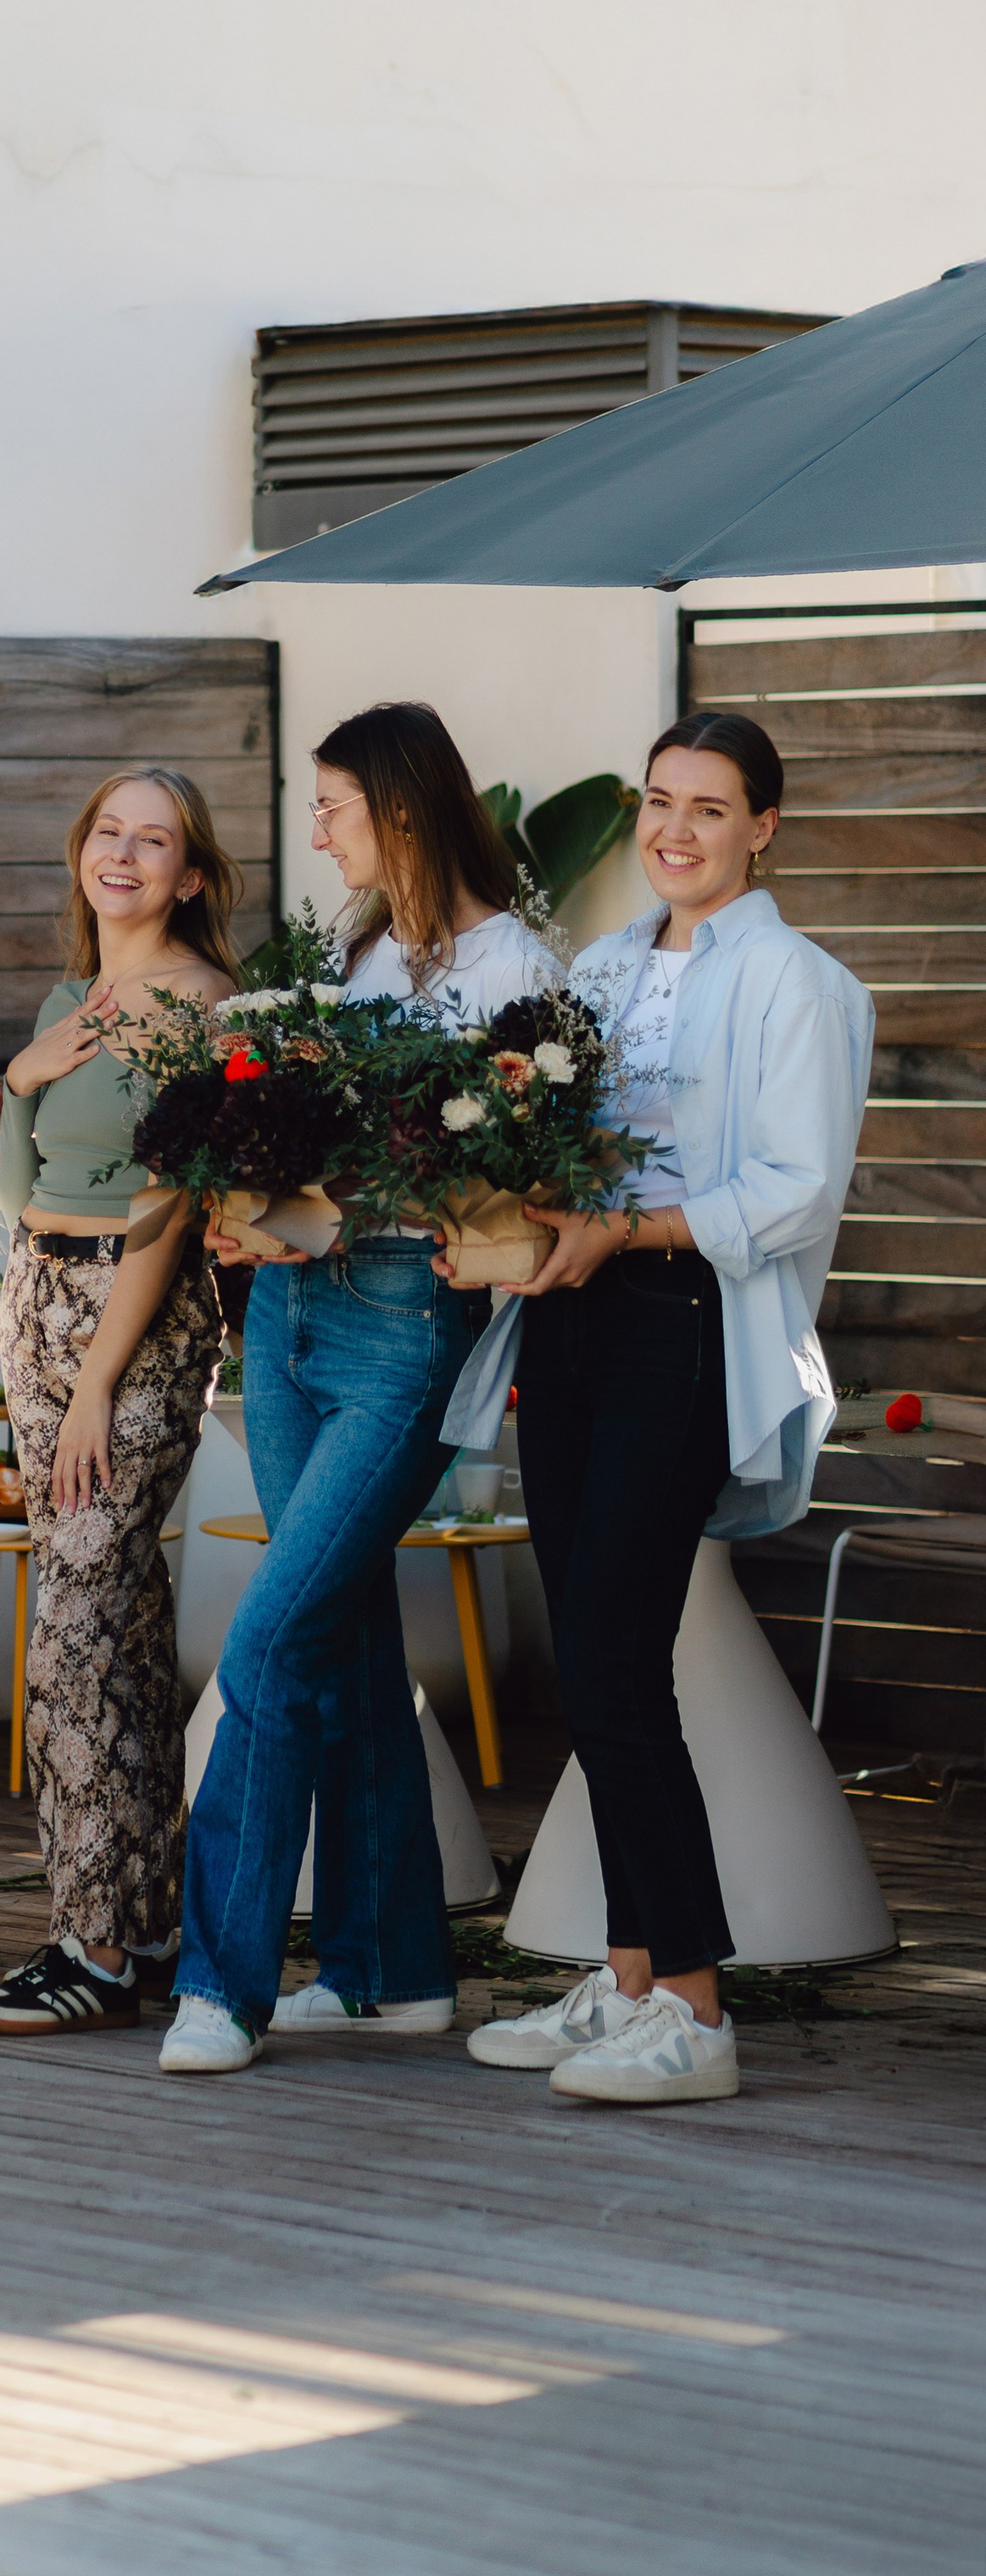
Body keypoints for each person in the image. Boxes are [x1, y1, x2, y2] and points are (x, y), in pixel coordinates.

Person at [460, 710, 872, 2106]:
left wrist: (622, 1239)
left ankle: (695, 2013)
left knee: (622, 1668)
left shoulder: (797, 983)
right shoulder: (602, 969)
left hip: (684, 1324)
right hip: (571, 1319)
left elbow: (795, 1189)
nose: (673, 831)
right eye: (657, 802)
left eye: (708, 807)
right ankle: (630, 1981)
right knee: (589, 1657)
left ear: (763, 827)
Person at [159, 702, 558, 2076]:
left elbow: (506, 1169)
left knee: (268, 1640)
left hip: (402, 1324)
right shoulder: (343, 948)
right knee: (338, 1635)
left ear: (398, 808)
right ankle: (393, 1972)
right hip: (284, 1314)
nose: (314, 825)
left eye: (330, 803)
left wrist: (332, 1208)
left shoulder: (511, 965)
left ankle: (221, 1982)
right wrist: (253, 1200)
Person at [0, 770, 237, 2037]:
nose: (123, 855)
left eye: (155, 840)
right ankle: (143, 1927)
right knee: (113, 1623)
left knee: (70, 1626)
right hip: (36, 1298)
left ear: (191, 875)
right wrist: (21, 1077)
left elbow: (171, 1210)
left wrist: (98, 1393)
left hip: (137, 1319)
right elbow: (19, 1204)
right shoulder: (70, 1000)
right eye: (106, 834)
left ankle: (86, 1940)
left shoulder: (210, 1009)